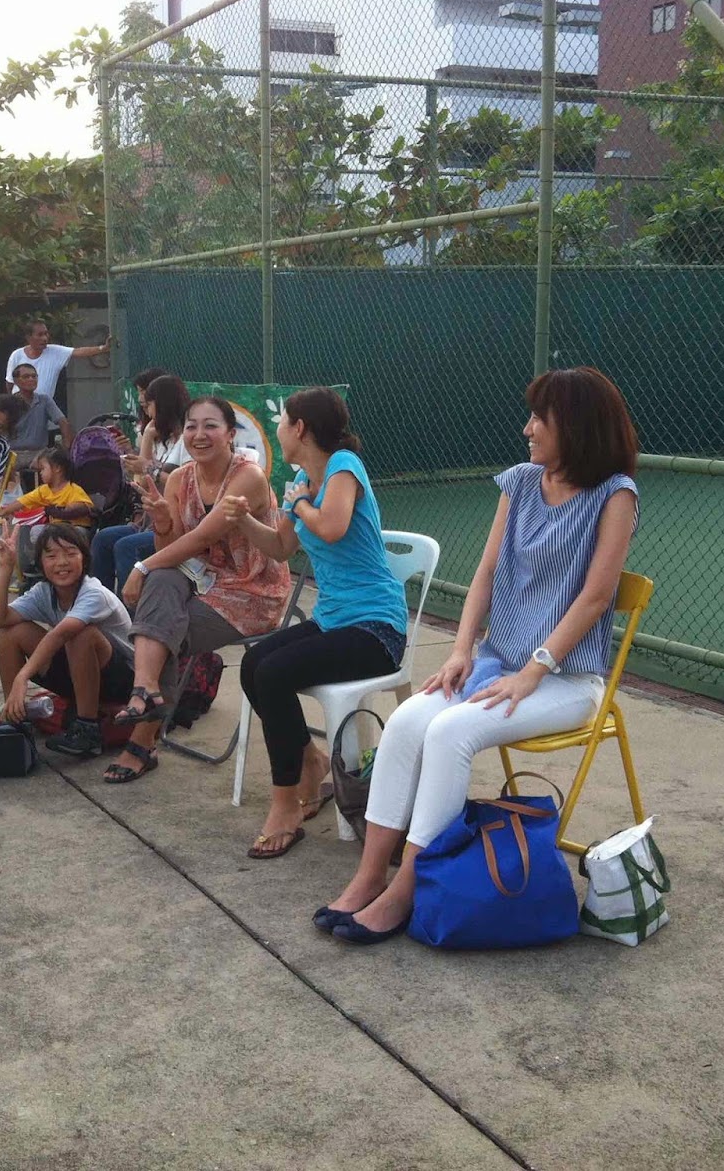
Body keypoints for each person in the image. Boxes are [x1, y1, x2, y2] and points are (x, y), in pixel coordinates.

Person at [317, 366, 639, 946]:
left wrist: (534, 671)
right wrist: (461, 650)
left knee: (451, 732)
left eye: (539, 418)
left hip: (567, 679)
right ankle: (369, 876)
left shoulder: (615, 495)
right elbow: (485, 575)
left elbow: (595, 597)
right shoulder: (520, 482)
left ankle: (407, 890)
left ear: (575, 425)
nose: (527, 429)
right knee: (409, 720)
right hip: (497, 663)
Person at [222, 387, 408, 858]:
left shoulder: (344, 466)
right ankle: (311, 761)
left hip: (376, 628)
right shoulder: (302, 479)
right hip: (333, 620)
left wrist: (301, 502)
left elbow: (331, 526)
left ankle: (285, 804)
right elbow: (281, 547)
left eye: (283, 422)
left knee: (275, 673)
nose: (280, 431)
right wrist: (243, 520)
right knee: (254, 665)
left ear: (300, 428)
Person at [106, 396, 292, 783]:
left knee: (165, 622)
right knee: (163, 582)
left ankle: (141, 738)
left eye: (210, 426)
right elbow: (172, 547)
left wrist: (140, 567)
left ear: (230, 434)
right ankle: (146, 690)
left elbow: (201, 539)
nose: (199, 434)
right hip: (201, 580)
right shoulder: (179, 478)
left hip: (251, 591)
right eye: (191, 426)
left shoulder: (248, 477)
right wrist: (161, 523)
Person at [0, 520, 136, 758]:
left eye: (70, 553)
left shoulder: (94, 593)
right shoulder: (44, 592)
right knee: (10, 634)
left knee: (81, 634)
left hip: (122, 681)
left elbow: (61, 633)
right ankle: (14, 721)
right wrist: (5, 567)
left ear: (84, 559)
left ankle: (87, 729)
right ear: (41, 563)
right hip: (80, 674)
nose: (62, 562)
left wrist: (22, 677)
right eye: (51, 556)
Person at [93, 372, 190, 589]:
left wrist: (148, 468)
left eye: (149, 403)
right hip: (150, 522)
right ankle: (103, 603)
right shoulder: (161, 439)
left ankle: (132, 607)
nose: (145, 408)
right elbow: (142, 484)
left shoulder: (186, 440)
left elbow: (186, 485)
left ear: (162, 404)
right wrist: (147, 437)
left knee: (126, 546)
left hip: (177, 524)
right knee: (103, 539)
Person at [4, 319, 112, 401]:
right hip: (19, 406)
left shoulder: (55, 352)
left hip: (43, 408)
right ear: (29, 337)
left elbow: (78, 351)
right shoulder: (17, 355)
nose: (45, 338)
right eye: (40, 335)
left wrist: (103, 348)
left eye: (46, 333)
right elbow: (9, 382)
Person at [8, 363, 74, 491]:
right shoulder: (8, 403)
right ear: (16, 381)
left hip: (39, 453)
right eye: (26, 377)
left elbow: (63, 422)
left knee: (57, 467)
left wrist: (67, 447)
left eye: (34, 376)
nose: (31, 379)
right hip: (13, 454)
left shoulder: (44, 400)